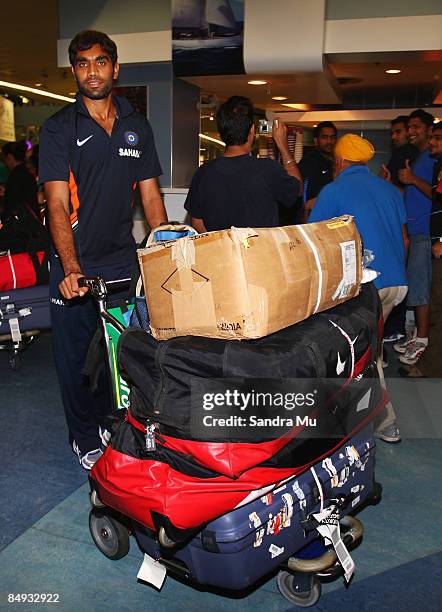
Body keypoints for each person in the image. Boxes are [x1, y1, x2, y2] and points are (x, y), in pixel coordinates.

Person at [38, 30, 167, 470]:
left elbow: (151, 196)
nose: (91, 71)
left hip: (121, 261)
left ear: (115, 68)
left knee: (122, 355)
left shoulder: (137, 125)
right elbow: (56, 203)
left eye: (99, 62)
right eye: (82, 63)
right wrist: (71, 268)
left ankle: (114, 422)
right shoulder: (59, 128)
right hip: (75, 267)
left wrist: (168, 247)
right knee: (75, 360)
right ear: (75, 70)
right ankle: (82, 435)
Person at [309, 133, 408, 444]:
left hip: (368, 285)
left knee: (364, 357)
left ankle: (385, 423)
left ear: (339, 161)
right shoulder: (391, 191)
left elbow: (314, 241)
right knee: (373, 351)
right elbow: (404, 240)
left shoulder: (334, 190)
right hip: (397, 283)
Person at [184, 96, 302, 232]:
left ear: (221, 132)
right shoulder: (266, 169)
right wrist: (283, 145)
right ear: (252, 130)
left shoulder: (203, 172)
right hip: (261, 252)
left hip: (221, 252)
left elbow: (197, 221)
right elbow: (297, 189)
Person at [393, 109, 435, 366]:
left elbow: (435, 194)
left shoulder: (433, 158)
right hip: (414, 230)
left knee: (420, 287)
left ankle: (422, 339)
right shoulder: (421, 157)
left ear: (430, 129)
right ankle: (416, 336)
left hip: (424, 231)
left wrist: (411, 179)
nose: (411, 131)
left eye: (416, 126)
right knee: (415, 284)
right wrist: (399, 183)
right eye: (409, 126)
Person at [400, 123, 442, 378]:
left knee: (431, 296)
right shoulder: (435, 164)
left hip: (431, 238)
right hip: (427, 235)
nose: (432, 143)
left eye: (437, 138)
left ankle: (424, 345)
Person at [298, 121, 337, 217]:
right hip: (315, 216)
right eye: (324, 137)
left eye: (332, 137)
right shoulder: (309, 161)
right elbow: (302, 192)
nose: (329, 141)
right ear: (316, 140)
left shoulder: (338, 162)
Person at [1, 141, 39, 219]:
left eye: (3, 158)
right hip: (31, 221)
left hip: (22, 224)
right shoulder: (26, 173)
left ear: (9, 157)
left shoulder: (16, 175)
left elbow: (12, 204)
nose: (4, 162)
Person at [379, 115, 418, 188]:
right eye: (392, 134)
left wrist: (387, 180)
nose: (393, 137)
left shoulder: (411, 152)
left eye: (398, 132)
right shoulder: (398, 152)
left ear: (409, 132)